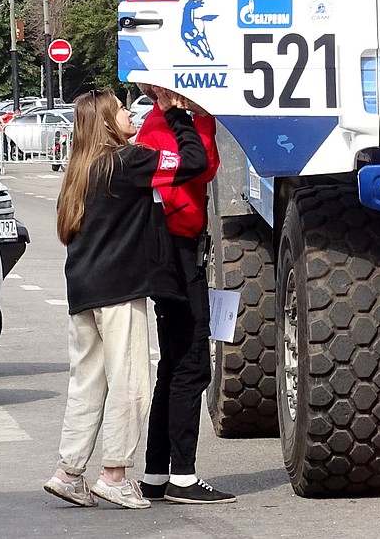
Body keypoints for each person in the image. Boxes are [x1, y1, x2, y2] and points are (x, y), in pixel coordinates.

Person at [43, 87, 208, 510]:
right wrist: (176, 116)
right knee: (131, 382)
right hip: (120, 290)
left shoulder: (80, 169)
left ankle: (69, 472)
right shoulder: (128, 161)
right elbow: (193, 162)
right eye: (120, 110)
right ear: (104, 123)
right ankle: (114, 475)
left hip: (82, 292)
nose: (130, 115)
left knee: (87, 384)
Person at [138, 86, 234, 505]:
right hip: (172, 250)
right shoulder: (157, 128)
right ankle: (182, 474)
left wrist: (199, 116)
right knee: (192, 364)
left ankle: (158, 472)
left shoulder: (188, 123)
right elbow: (194, 165)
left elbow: (209, 166)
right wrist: (178, 115)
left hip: (185, 248)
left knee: (176, 365)